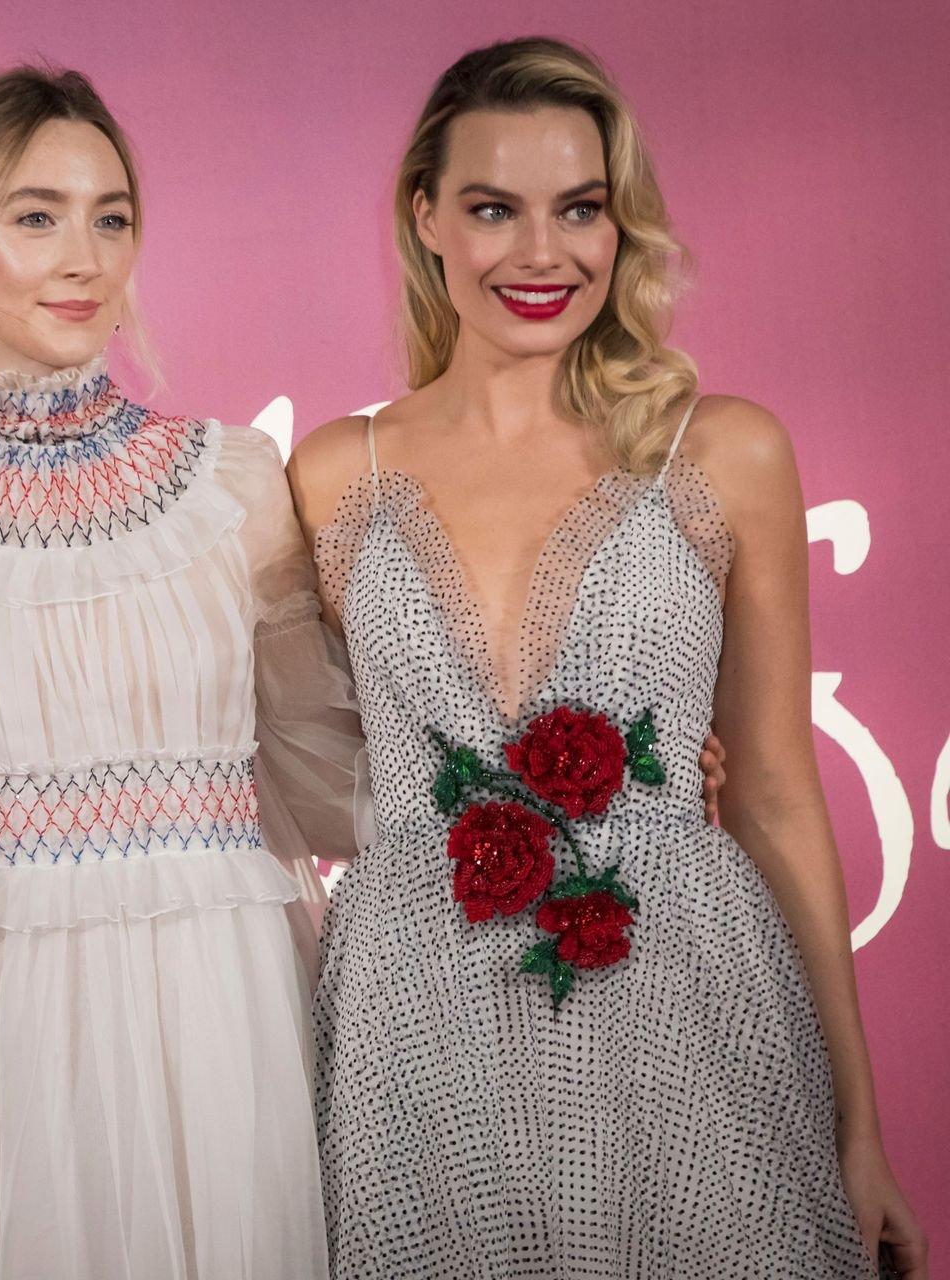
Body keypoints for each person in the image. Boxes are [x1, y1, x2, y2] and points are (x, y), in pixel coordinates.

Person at [286, 38, 928, 1279]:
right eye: (493, 208)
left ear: (620, 223)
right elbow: (295, 761)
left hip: (685, 1004)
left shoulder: (725, 449)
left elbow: (777, 790)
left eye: (580, 208)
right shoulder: (328, 473)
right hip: (414, 1032)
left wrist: (861, 1123)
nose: (544, 253)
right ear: (425, 217)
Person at [0, 67, 367, 1278]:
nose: (85, 259)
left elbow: (330, 776)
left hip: (224, 1010)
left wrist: (545, 768)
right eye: (36, 216)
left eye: (112, 217)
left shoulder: (235, 483)